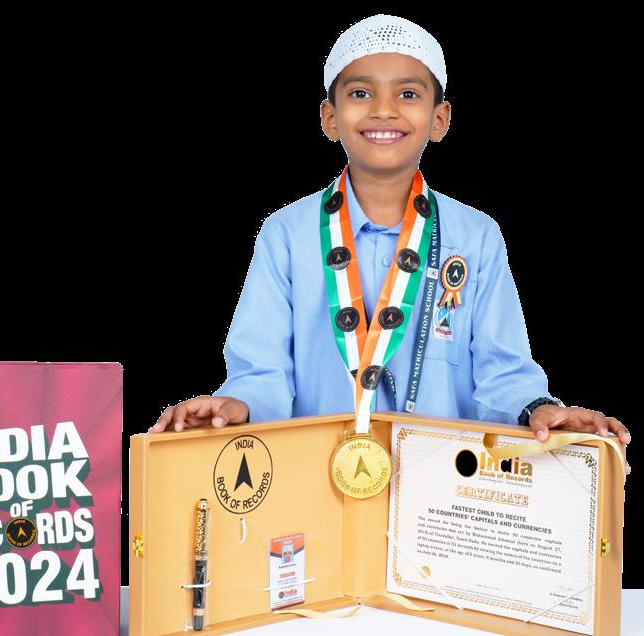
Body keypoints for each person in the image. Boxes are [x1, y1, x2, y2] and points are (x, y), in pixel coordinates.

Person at [150, 14, 630, 458]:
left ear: (439, 119)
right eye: (360, 93)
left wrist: (539, 410)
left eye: (408, 94)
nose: (383, 111)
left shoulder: (477, 236)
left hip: (442, 489)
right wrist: (237, 405)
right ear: (330, 117)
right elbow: (262, 371)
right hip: (313, 481)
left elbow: (501, 371)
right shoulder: (286, 234)